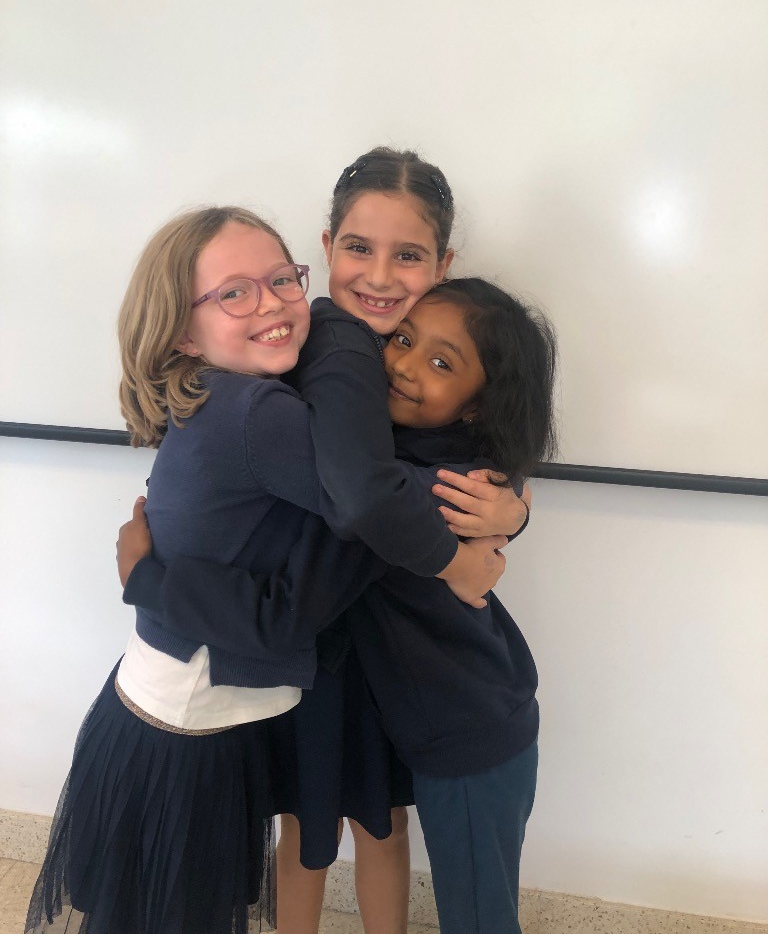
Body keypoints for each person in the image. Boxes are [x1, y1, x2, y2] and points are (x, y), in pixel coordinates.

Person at [26, 204, 507, 934]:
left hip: (171, 712)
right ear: (183, 330)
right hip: (185, 734)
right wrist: (493, 511)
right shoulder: (256, 413)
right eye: (234, 293)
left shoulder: (228, 391)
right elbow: (372, 495)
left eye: (282, 280)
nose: (273, 305)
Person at [119, 276, 557, 934]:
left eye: (442, 363)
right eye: (401, 340)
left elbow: (284, 612)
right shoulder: (385, 452)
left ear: (477, 405)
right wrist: (514, 514)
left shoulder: (383, 496)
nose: (404, 365)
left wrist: (146, 579)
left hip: (470, 730)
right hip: (430, 713)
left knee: (479, 919)